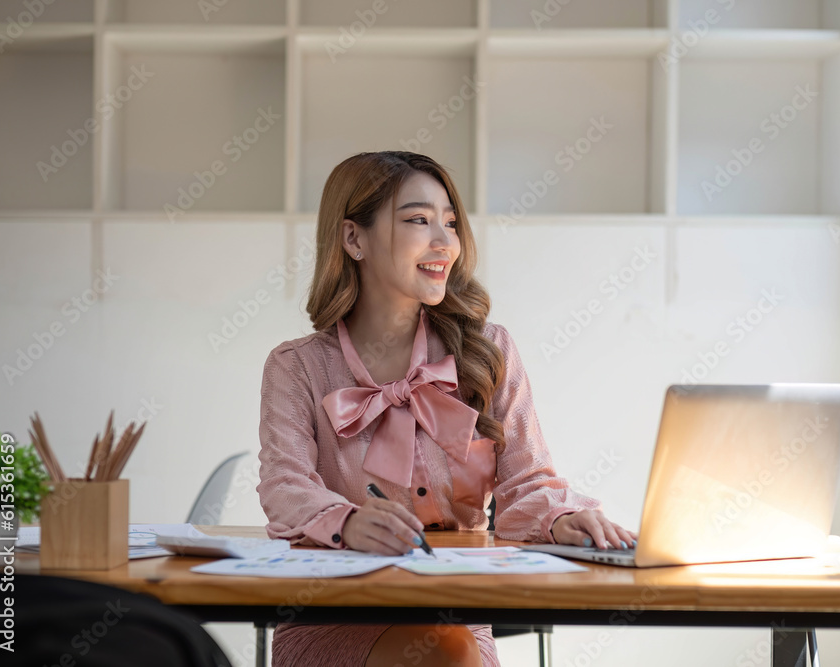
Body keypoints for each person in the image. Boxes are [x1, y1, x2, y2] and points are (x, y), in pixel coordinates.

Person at [256, 151, 636, 666]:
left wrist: (562, 518)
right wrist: (346, 522)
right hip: (334, 613)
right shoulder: (296, 367)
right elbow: (285, 487)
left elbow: (527, 483)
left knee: (452, 650)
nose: (445, 243)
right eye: (418, 220)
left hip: (455, 614)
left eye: (451, 223)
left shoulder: (488, 351)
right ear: (353, 239)